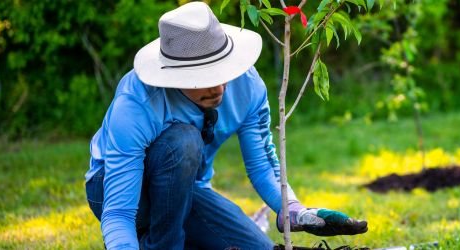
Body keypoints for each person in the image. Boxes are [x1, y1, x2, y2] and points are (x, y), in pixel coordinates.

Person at [83, 2, 367, 249]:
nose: (219, 87)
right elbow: (119, 212)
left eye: (223, 71)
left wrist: (292, 210)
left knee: (258, 247)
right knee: (184, 140)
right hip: (114, 190)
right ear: (175, 76)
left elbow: (262, 164)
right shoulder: (138, 103)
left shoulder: (248, 86)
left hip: (187, 193)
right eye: (203, 77)